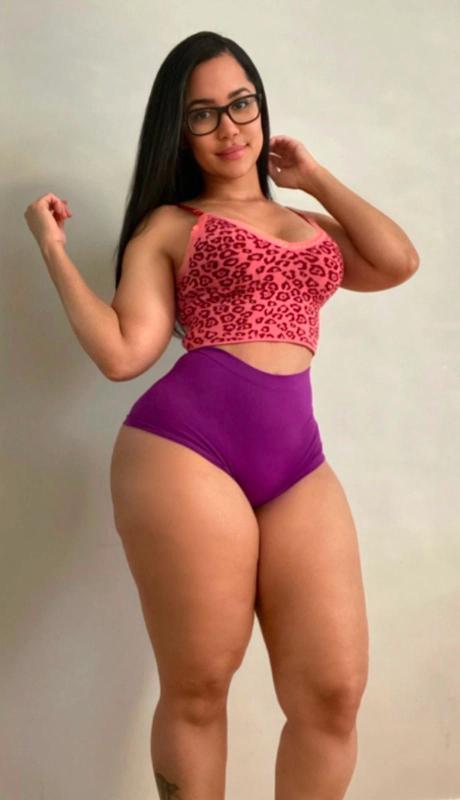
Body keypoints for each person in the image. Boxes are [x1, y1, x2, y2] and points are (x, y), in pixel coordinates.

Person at [24, 30, 419, 800]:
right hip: (186, 449)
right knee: (201, 684)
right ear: (179, 131)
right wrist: (52, 251)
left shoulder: (310, 226)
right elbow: (123, 354)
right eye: (202, 113)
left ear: (261, 107)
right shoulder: (169, 226)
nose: (229, 127)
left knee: (333, 693)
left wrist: (313, 177)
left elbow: (395, 262)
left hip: (296, 463)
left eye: (242, 104)